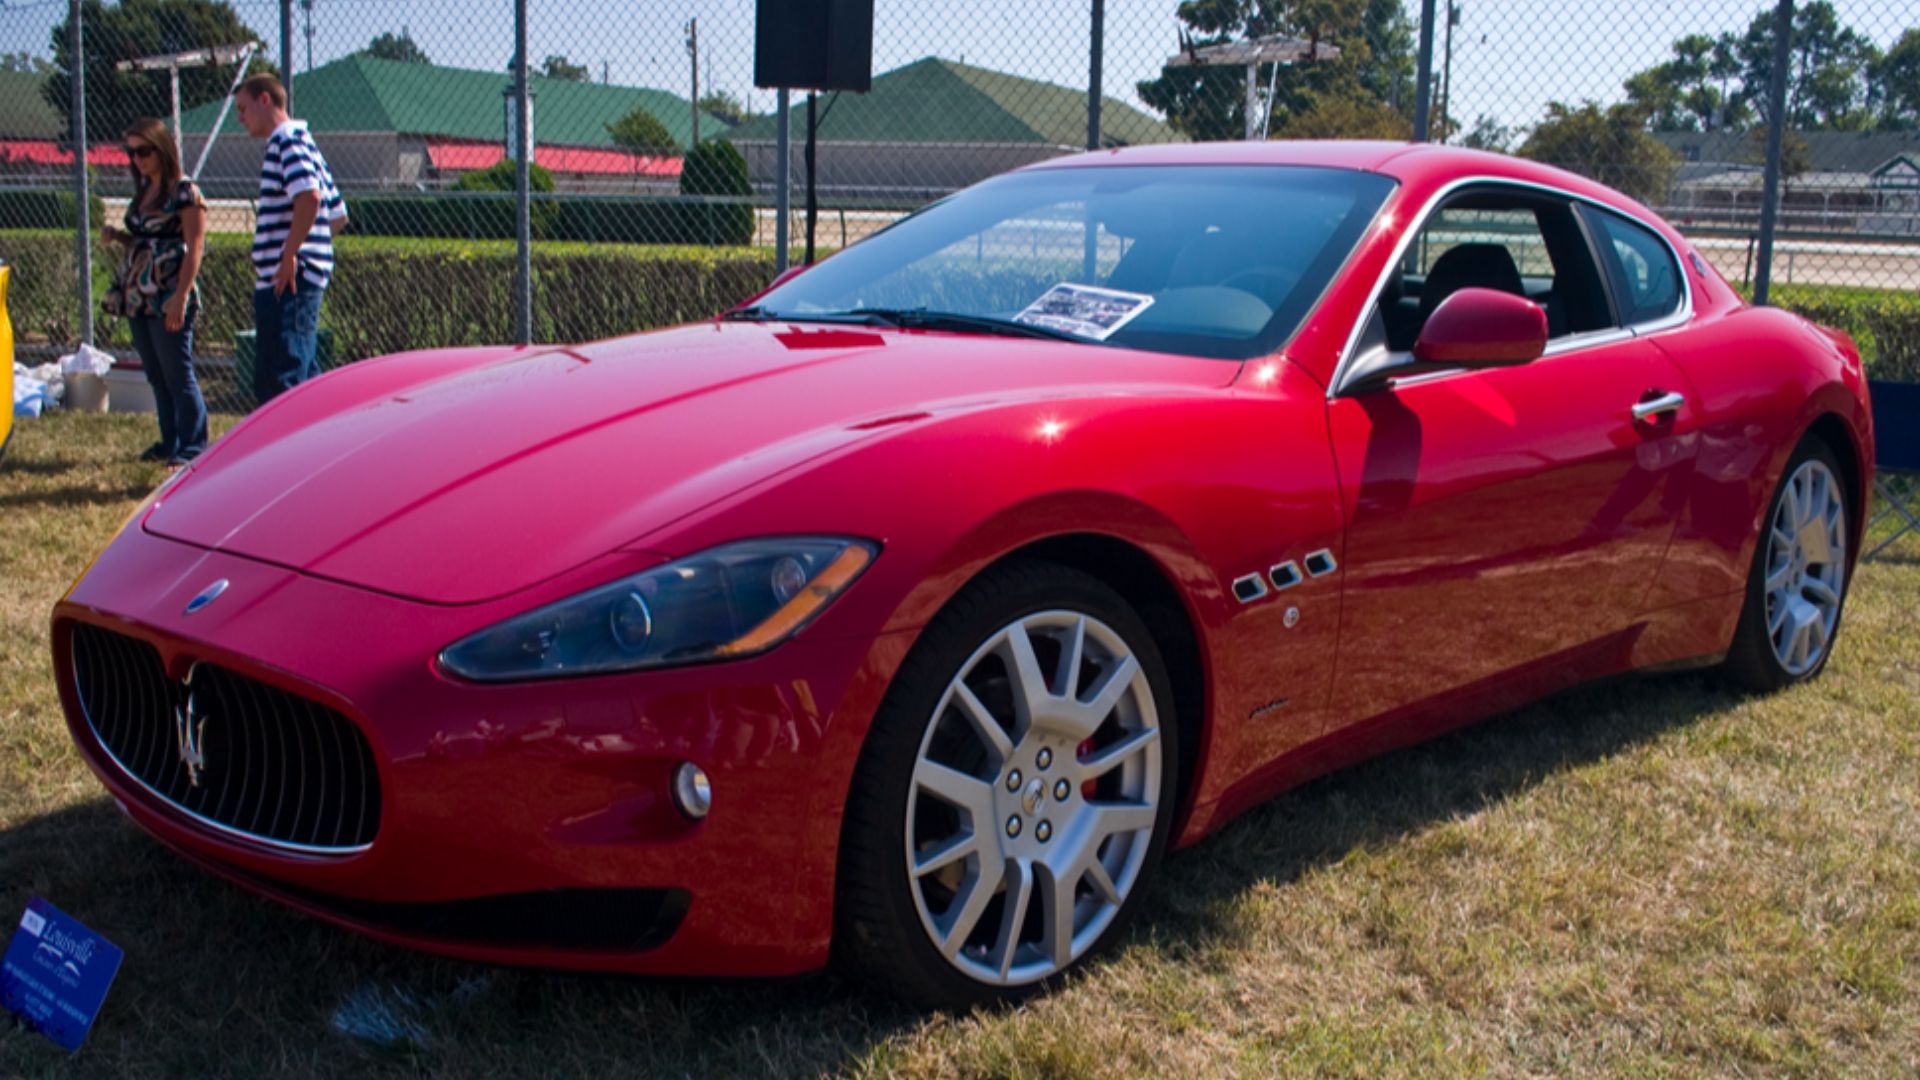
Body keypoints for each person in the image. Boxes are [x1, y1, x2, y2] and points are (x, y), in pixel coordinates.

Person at [232, 73, 346, 405]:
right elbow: (336, 214)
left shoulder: (286, 141)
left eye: (243, 108)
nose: (241, 118)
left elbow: (309, 198)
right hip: (296, 277)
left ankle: (291, 454)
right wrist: (314, 247)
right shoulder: (304, 141)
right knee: (301, 372)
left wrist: (291, 255)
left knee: (282, 381)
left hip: (287, 282)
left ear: (264, 99)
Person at [103, 117, 208, 465]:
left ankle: (193, 446)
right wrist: (118, 237)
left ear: (162, 149)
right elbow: (146, 242)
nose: (137, 159)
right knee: (156, 374)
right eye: (131, 153)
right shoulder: (145, 189)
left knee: (177, 372)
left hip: (168, 295)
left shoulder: (185, 192)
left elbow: (194, 248)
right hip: (139, 295)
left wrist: (180, 296)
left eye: (144, 151)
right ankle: (170, 441)